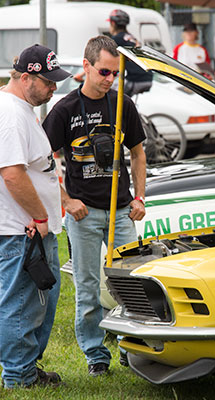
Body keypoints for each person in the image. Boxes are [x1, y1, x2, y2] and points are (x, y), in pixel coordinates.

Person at [43, 35, 146, 377]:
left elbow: (138, 152)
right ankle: (95, 355)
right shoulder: (65, 109)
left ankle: (133, 348)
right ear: (86, 66)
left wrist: (140, 197)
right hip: (84, 213)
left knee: (130, 283)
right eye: (104, 71)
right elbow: (40, 161)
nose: (109, 79)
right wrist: (66, 201)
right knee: (88, 287)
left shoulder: (122, 105)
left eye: (115, 73)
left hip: (121, 211)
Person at [0, 44, 71, 388]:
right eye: (48, 81)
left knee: (39, 300)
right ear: (25, 77)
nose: (54, 88)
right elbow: (12, 173)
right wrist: (40, 216)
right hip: (22, 229)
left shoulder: (22, 107)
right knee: (21, 304)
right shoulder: (11, 113)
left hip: (31, 228)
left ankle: (26, 368)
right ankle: (18, 376)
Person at [108, 9, 153, 96]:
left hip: (135, 79)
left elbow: (100, 58)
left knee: (111, 100)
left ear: (113, 23)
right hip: (147, 77)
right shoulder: (131, 38)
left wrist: (82, 74)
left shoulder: (116, 39)